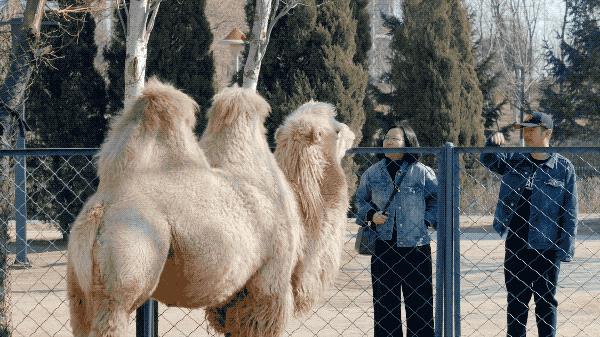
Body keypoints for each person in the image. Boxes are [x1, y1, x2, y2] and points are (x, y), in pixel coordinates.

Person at [481, 112, 578, 337]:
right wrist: (492, 143)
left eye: (533, 130)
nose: (527, 134)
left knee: (546, 302)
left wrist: (565, 248)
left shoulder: (563, 168)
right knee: (516, 301)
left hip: (547, 245)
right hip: (516, 242)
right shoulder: (515, 159)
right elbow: (489, 160)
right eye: (525, 130)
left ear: (548, 133)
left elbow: (570, 212)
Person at [356, 125, 437, 337]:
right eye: (386, 137)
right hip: (383, 248)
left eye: (395, 138)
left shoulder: (422, 172)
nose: (389, 141)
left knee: (420, 307)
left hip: (416, 248)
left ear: (408, 142)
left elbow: (437, 200)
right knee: (385, 308)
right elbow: (359, 201)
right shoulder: (372, 173)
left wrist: (425, 221)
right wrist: (370, 215)